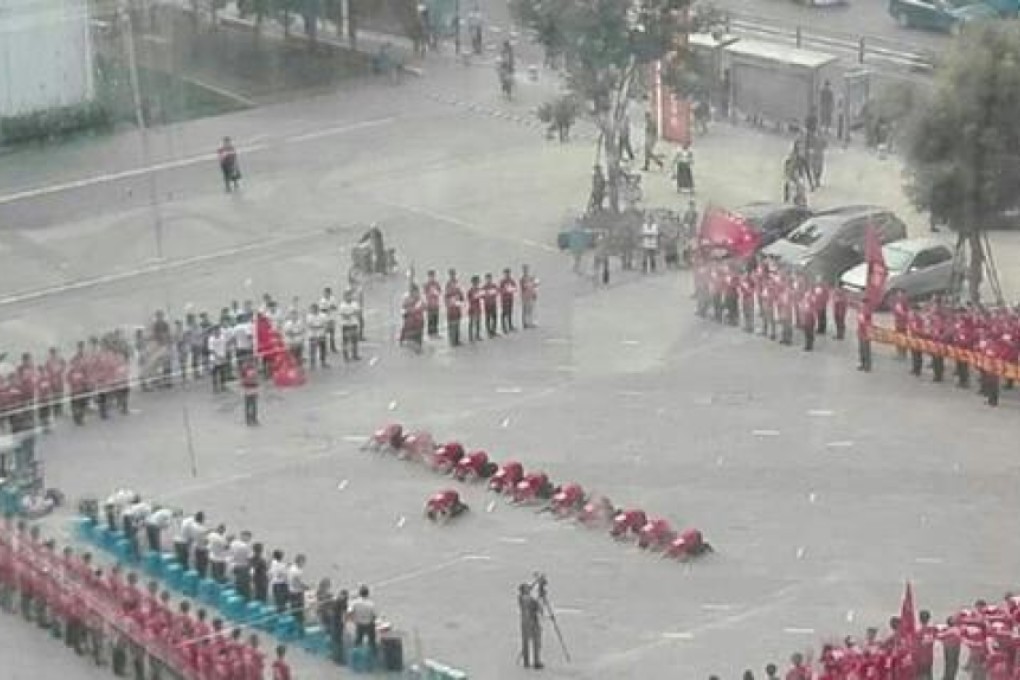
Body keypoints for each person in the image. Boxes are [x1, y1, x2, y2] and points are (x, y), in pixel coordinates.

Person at [518, 583, 543, 669]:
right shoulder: (524, 598)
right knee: (530, 642)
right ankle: (530, 662)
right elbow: (533, 604)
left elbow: (538, 607)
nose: (529, 589)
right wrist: (538, 597)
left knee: (533, 641)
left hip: (529, 622)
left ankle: (532, 661)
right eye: (526, 588)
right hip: (529, 622)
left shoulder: (524, 598)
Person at [350, 585, 377, 654]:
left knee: (358, 640)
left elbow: (350, 612)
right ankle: (373, 654)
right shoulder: (371, 604)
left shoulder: (355, 603)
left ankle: (355, 654)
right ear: (367, 594)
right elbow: (374, 616)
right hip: (368, 624)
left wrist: (353, 619)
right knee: (372, 641)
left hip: (359, 623)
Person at [400, 284, 426, 353]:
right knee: (412, 348)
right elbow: (403, 313)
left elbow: (424, 307)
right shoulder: (407, 301)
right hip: (410, 328)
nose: (416, 293)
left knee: (417, 348)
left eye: (417, 292)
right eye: (414, 292)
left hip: (418, 327)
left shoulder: (420, 301)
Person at [338, 290, 361, 362]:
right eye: (347, 296)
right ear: (344, 297)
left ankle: (355, 354)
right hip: (346, 325)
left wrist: (351, 313)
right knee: (346, 341)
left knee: (355, 341)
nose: (349, 297)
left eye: (350, 296)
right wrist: (352, 313)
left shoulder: (355, 304)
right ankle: (346, 356)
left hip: (354, 324)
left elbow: (358, 312)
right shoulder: (342, 305)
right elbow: (344, 315)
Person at [229, 531, 253, 599]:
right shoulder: (245, 546)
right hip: (242, 567)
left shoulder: (233, 543)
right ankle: (245, 598)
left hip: (233, 565)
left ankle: (237, 596)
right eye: (249, 537)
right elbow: (249, 558)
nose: (249, 539)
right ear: (245, 537)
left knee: (237, 582)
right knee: (245, 585)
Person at [287, 554, 309, 631]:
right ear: (299, 561)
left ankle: (294, 624)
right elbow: (299, 583)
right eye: (303, 562)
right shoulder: (297, 572)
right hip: (297, 592)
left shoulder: (292, 568)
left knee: (294, 609)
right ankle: (300, 628)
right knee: (299, 610)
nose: (304, 564)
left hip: (291, 590)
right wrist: (306, 587)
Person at [444, 269, 465, 347]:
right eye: (451, 274)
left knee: (457, 323)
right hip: (451, 307)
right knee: (451, 324)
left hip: (457, 306)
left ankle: (457, 340)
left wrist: (461, 299)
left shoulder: (457, 283)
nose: (453, 276)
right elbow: (446, 296)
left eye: (454, 274)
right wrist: (448, 303)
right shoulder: (447, 284)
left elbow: (461, 293)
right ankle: (452, 341)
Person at [306, 303, 329, 369]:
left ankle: (323, 362)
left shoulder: (323, 315)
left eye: (315, 309)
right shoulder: (309, 316)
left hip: (321, 334)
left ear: (317, 309)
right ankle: (312, 364)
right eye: (312, 309)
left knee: (323, 349)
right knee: (312, 350)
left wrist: (323, 330)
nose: (313, 311)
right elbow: (310, 325)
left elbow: (325, 324)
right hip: (312, 335)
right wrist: (319, 326)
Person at [319, 287, 340, 354]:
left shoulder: (332, 299)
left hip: (332, 318)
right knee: (324, 335)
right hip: (325, 320)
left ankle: (333, 347)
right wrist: (328, 308)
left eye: (328, 293)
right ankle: (324, 349)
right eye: (325, 293)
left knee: (332, 334)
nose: (326, 294)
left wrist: (332, 307)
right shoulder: (322, 301)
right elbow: (322, 310)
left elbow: (336, 307)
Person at [423, 270, 443, 339]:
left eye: (433, 276)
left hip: (436, 304)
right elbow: (425, 293)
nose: (432, 278)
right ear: (428, 277)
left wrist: (436, 292)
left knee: (435, 318)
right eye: (431, 276)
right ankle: (430, 333)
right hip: (429, 304)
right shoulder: (426, 284)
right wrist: (430, 294)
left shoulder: (436, 284)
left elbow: (440, 291)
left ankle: (435, 332)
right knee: (430, 319)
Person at [499, 269, 518, 333]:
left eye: (508, 273)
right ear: (504, 274)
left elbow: (515, 288)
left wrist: (512, 289)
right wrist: (505, 290)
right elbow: (500, 290)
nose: (507, 275)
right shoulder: (502, 282)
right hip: (504, 299)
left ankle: (510, 325)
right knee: (504, 313)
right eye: (506, 273)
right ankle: (504, 327)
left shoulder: (511, 281)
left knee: (510, 312)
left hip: (510, 298)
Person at [241, 359, 259, 426]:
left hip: (252, 390)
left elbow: (256, 381)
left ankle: (253, 419)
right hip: (248, 390)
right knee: (249, 405)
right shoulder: (245, 370)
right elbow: (243, 380)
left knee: (253, 406)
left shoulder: (254, 370)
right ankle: (248, 420)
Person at [482, 273, 500, 338]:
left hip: (493, 303)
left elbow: (498, 291)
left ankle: (493, 331)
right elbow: (482, 296)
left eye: (489, 278)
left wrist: (494, 292)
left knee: (494, 318)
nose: (489, 280)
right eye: (487, 279)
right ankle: (489, 332)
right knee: (488, 318)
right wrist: (487, 294)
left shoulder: (494, 285)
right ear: (486, 279)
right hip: (487, 304)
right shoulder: (484, 287)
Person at [857, 302, 873, 372]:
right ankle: (862, 364)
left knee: (866, 349)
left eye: (862, 303)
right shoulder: (860, 310)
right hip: (861, 332)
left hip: (866, 332)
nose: (861, 304)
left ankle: (868, 366)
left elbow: (868, 323)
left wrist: (868, 333)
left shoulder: (867, 310)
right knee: (861, 349)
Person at [521, 265, 538, 329]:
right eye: (525, 270)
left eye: (527, 270)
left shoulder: (530, 278)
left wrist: (534, 293)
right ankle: (525, 323)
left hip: (530, 295)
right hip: (525, 296)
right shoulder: (523, 279)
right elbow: (524, 287)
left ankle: (531, 322)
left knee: (531, 310)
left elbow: (533, 286)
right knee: (526, 310)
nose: (526, 271)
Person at [467, 276, 484, 342]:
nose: (476, 284)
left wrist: (482, 295)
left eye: (477, 282)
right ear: (473, 283)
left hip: (478, 307)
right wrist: (475, 297)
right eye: (475, 282)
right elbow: (469, 299)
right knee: (471, 323)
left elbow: (483, 296)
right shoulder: (470, 291)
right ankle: (470, 337)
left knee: (478, 322)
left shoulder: (479, 289)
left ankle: (477, 335)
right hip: (472, 308)